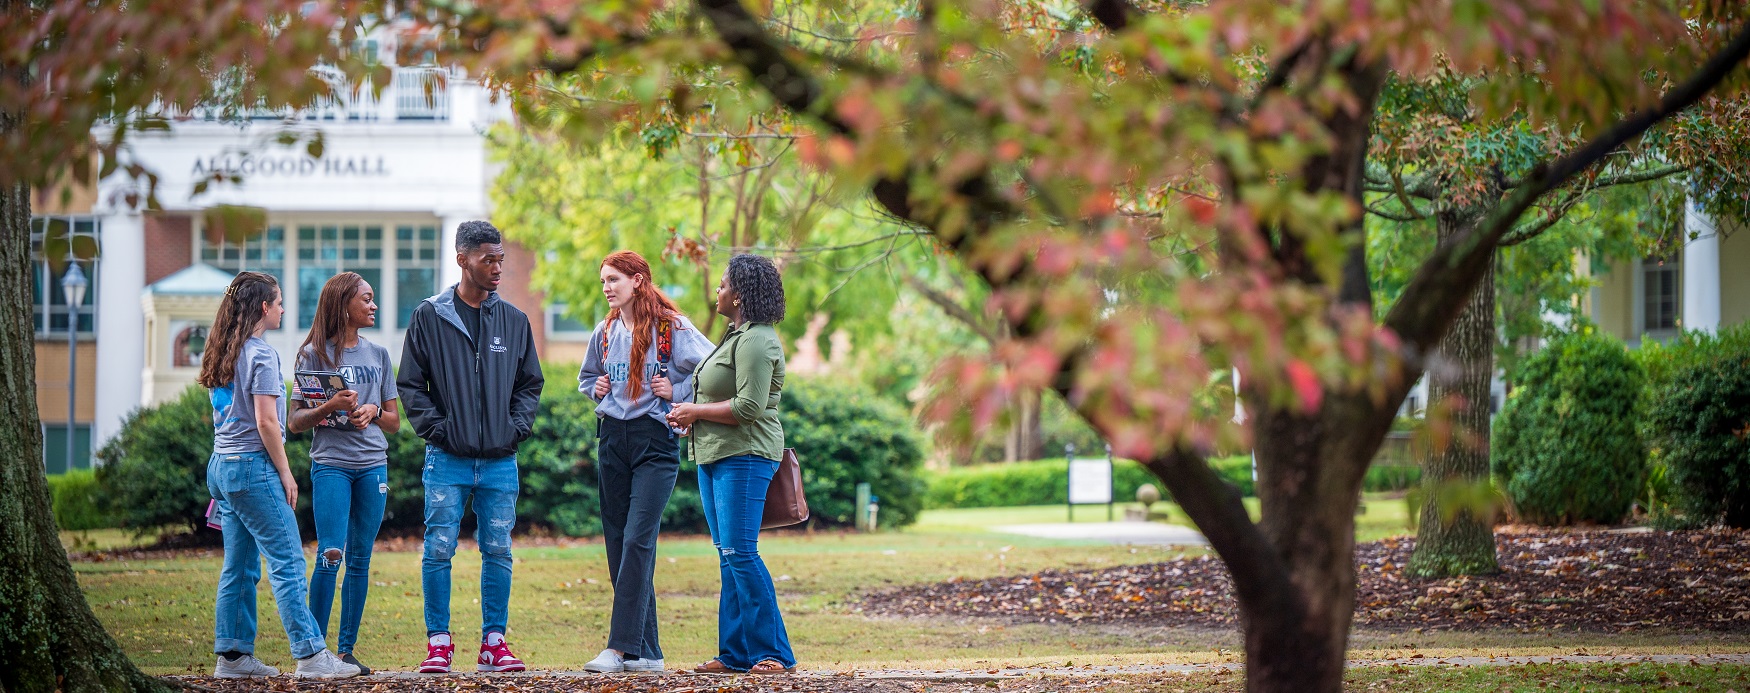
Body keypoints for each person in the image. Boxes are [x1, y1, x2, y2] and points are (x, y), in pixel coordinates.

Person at [198, 271, 360, 680]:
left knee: (239, 565)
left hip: (221, 469)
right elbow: (267, 422)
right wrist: (286, 474)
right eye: (280, 301)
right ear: (264, 307)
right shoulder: (261, 354)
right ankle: (311, 656)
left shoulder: (223, 350)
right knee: (287, 560)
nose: (284, 309)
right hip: (253, 470)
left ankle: (232, 658)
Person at [398, 221, 544, 673]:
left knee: (498, 549)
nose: (498, 266)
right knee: (438, 548)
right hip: (447, 459)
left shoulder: (515, 321)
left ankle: (493, 643)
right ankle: (438, 643)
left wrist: (514, 429)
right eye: (488, 259)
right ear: (463, 259)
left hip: (501, 461)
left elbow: (530, 384)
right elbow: (409, 384)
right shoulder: (429, 315)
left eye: (500, 258)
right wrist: (439, 431)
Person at [576, 251, 715, 674]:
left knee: (638, 539)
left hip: (655, 443)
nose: (606, 287)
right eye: (603, 280)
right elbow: (587, 379)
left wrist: (677, 389)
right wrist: (596, 387)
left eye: (614, 278)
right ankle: (647, 652)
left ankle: (618, 649)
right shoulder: (605, 331)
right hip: (612, 442)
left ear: (637, 280)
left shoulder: (672, 328)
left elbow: (714, 368)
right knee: (620, 544)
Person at [666, 254, 797, 675]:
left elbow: (749, 406)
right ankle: (735, 654)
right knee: (727, 554)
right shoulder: (733, 336)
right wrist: (691, 415)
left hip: (745, 455)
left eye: (722, 286)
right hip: (714, 455)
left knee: (741, 552)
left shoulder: (759, 339)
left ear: (738, 295)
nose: (716, 292)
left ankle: (773, 653)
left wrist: (695, 412)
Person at [288, 272, 400, 675]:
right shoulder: (312, 356)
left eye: (373, 299)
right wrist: (329, 406)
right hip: (331, 465)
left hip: (373, 465)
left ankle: (346, 651)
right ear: (343, 305)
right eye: (366, 300)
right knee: (331, 554)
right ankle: (314, 656)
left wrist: (373, 412)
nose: (373, 306)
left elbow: (394, 422)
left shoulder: (379, 355)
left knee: (361, 559)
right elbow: (295, 422)